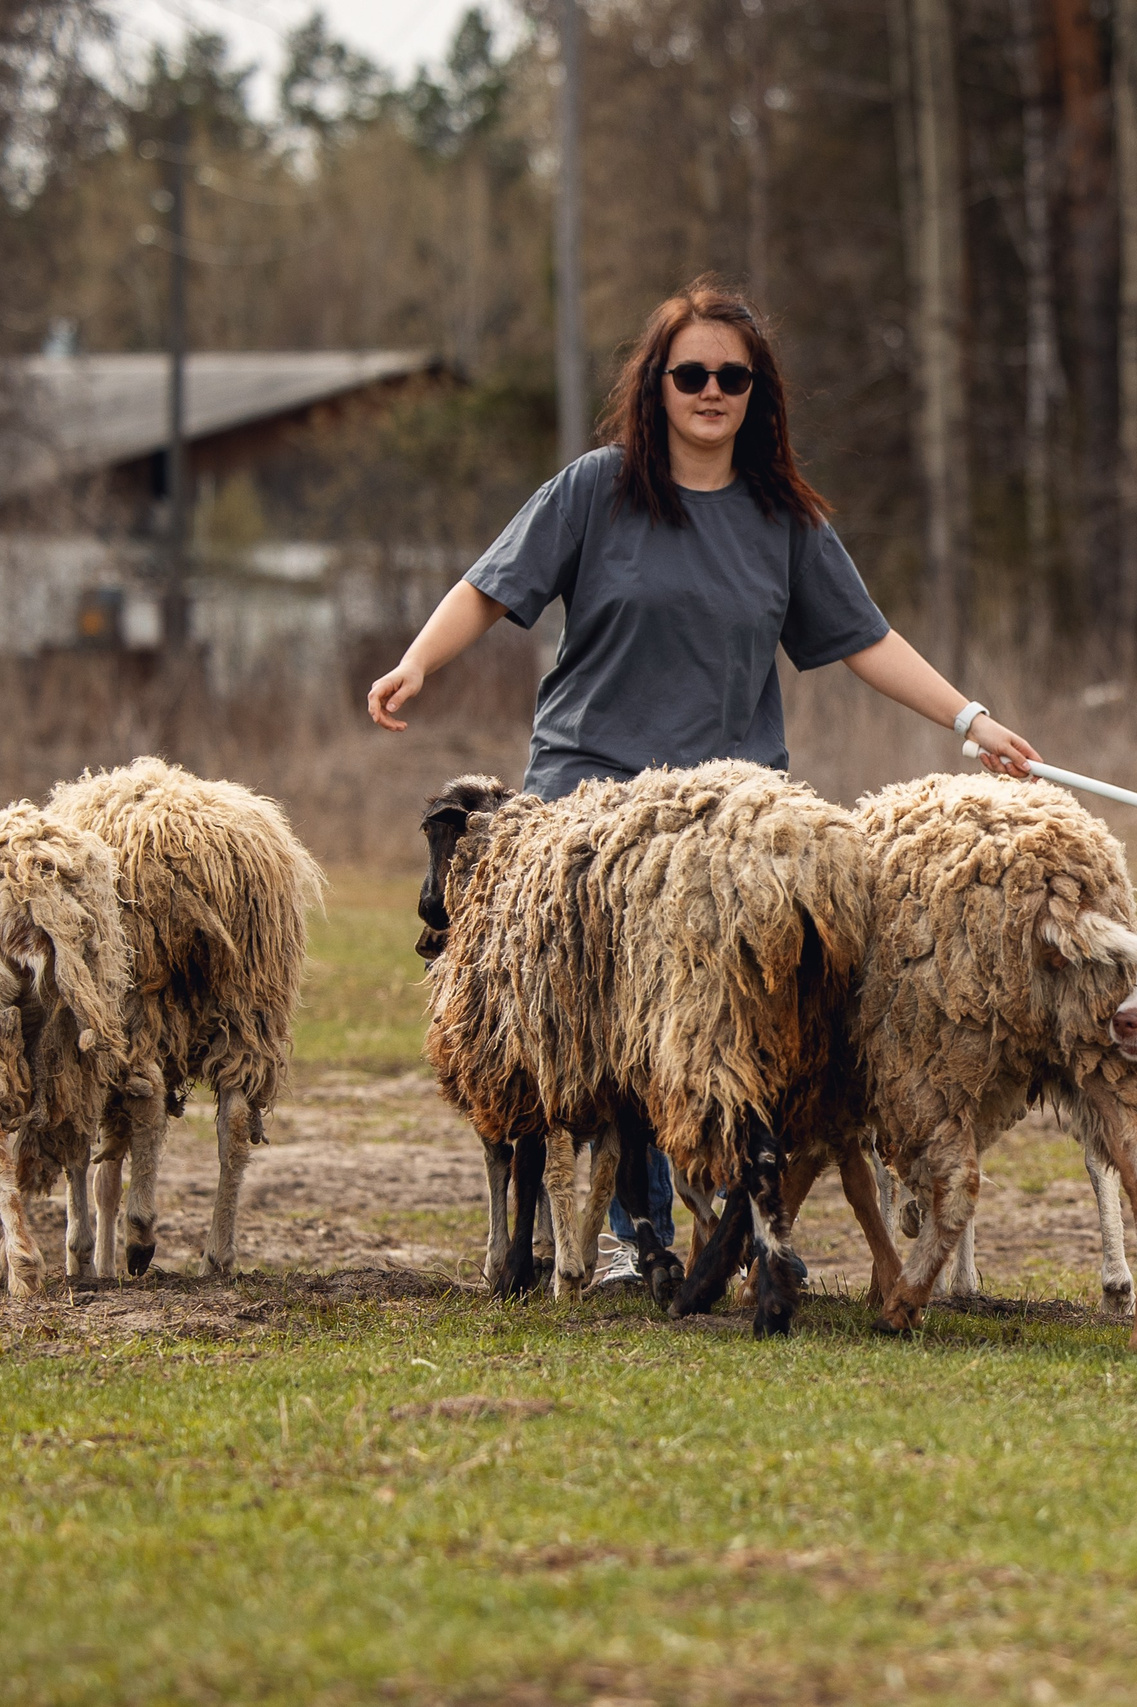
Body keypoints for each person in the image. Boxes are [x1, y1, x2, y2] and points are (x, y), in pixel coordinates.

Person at [368, 276, 1041, 1285]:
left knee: (757, 1001)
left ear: (755, 394)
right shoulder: (596, 488)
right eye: (692, 374)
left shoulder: (784, 519)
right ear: (659, 385)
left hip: (729, 810)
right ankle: (630, 1236)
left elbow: (865, 640)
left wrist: (970, 719)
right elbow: (488, 585)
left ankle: (741, 1206)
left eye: (732, 376)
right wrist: (420, 661)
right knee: (617, 1013)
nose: (711, 390)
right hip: (593, 796)